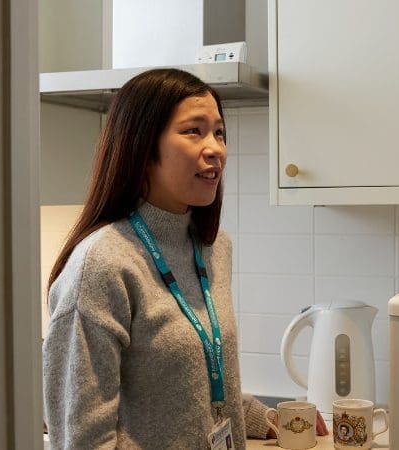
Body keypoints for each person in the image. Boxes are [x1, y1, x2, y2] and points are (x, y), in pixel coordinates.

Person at [42, 68, 326, 449]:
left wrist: (262, 417)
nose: (216, 149)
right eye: (194, 131)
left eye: (219, 132)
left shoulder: (212, 247)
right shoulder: (103, 264)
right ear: (143, 147)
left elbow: (183, 382)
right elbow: (81, 438)